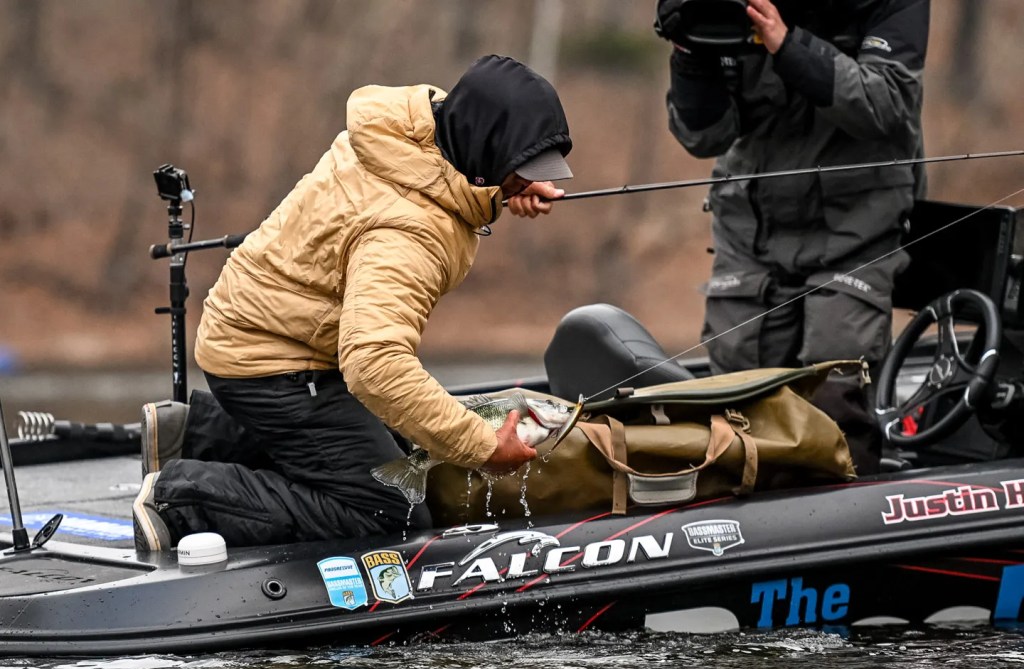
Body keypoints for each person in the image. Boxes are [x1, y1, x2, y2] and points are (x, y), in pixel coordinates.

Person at [132, 54, 573, 552]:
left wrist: (505, 186)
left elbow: (454, 181)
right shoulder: (406, 232)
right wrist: (483, 447)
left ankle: (194, 433)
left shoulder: (406, 137)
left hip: (260, 329)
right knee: (388, 507)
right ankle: (180, 499)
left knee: (403, 439)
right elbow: (374, 364)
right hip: (275, 365)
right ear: (485, 151)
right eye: (520, 167)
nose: (528, 177)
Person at [657, 0, 929, 473]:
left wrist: (787, 45)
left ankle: (845, 510)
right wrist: (689, 51)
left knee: (834, 394)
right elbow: (705, 137)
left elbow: (886, 105)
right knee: (737, 393)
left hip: (856, 231)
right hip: (753, 231)